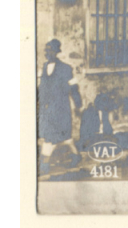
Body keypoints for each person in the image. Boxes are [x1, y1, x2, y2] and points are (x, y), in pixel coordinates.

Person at [38, 39, 83, 173]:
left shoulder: (66, 69)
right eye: (46, 50)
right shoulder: (44, 68)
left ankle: (44, 164)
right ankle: (76, 155)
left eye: (50, 50)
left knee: (52, 138)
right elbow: (42, 89)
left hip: (62, 108)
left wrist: (78, 105)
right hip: (48, 109)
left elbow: (74, 88)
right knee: (64, 138)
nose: (47, 53)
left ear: (57, 51)